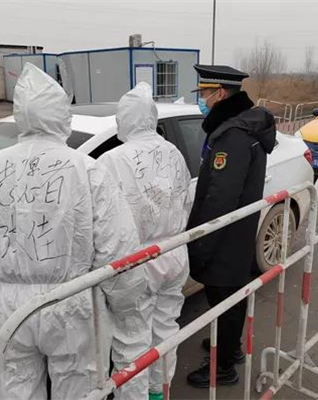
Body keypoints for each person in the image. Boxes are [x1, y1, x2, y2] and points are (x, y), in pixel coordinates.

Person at [0, 62, 148, 400]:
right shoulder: (86, 170)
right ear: (62, 116)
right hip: (70, 304)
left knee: (11, 390)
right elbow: (117, 248)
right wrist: (126, 306)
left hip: (2, 306)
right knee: (79, 388)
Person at [98, 83, 192, 400]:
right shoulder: (173, 152)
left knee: (132, 339)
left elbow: (103, 221)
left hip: (136, 260)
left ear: (124, 119)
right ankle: (158, 392)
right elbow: (185, 200)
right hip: (174, 251)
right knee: (165, 327)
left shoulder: (112, 160)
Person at [185, 64, 277, 388]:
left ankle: (223, 367)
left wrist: (201, 243)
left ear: (221, 93)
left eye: (205, 94)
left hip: (225, 235)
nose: (203, 101)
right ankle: (230, 346)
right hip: (237, 231)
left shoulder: (233, 136)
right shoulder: (242, 127)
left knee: (224, 296)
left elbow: (220, 198)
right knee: (232, 295)